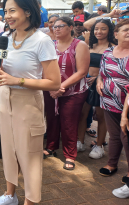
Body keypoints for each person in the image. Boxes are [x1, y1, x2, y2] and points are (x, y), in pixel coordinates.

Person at [0, 0, 61, 205]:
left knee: (29, 157)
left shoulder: (42, 41)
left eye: (12, 10)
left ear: (28, 11)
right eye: (5, 11)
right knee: (9, 150)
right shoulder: (4, 38)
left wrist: (16, 81)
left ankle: (31, 200)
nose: (7, 15)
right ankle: (10, 194)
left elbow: (54, 83)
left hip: (28, 104)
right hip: (5, 100)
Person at [43, 17, 90, 170]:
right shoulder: (51, 45)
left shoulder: (80, 45)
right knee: (52, 118)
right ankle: (51, 147)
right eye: (54, 26)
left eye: (60, 26)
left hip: (73, 92)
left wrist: (60, 87)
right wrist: (51, 87)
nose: (56, 29)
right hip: (51, 90)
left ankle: (70, 155)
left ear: (70, 27)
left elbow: (82, 71)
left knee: (69, 123)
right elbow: (45, 67)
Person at [96, 19, 129, 196]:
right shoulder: (108, 52)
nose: (128, 32)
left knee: (127, 139)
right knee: (115, 136)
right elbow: (102, 72)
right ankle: (112, 164)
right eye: (125, 30)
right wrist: (99, 81)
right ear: (116, 34)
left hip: (127, 106)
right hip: (108, 102)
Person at [77, 18, 116, 159]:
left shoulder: (113, 47)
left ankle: (99, 146)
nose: (99, 31)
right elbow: (82, 62)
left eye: (103, 28)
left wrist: (99, 76)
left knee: (101, 117)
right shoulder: (89, 45)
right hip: (86, 83)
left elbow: (113, 68)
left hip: (102, 85)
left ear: (110, 30)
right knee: (82, 113)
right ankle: (80, 142)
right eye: (96, 29)